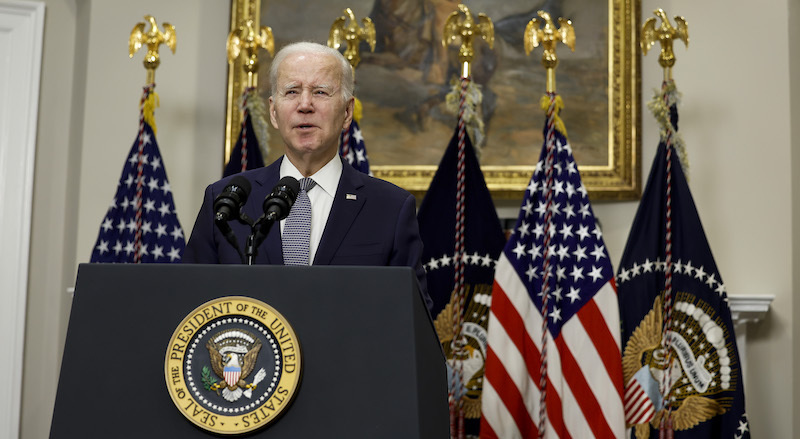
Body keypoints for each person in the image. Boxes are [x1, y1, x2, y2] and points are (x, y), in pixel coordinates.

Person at [183, 41, 431, 311]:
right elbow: (190, 304)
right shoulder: (226, 200)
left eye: (321, 92)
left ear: (347, 111)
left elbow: (413, 324)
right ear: (274, 111)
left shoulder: (390, 208)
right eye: (291, 92)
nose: (305, 105)